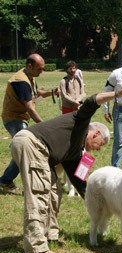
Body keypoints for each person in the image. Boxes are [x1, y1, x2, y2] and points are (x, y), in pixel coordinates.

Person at [10, 85, 122, 253]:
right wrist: (116, 94)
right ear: (96, 133)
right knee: (39, 193)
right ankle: (37, 248)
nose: (97, 150)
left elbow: (79, 180)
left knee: (54, 191)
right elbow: (90, 102)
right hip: (32, 144)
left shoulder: (75, 151)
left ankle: (49, 235)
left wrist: (97, 200)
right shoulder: (80, 122)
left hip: (40, 151)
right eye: (100, 145)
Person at [0, 53, 59, 191]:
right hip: (14, 119)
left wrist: (51, 92)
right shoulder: (21, 81)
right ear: (29, 66)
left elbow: (36, 92)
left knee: (22, 150)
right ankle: (7, 180)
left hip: (20, 118)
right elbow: (30, 108)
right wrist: (44, 125)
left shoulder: (29, 75)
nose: (42, 71)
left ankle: (5, 180)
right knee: (23, 150)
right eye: (40, 69)